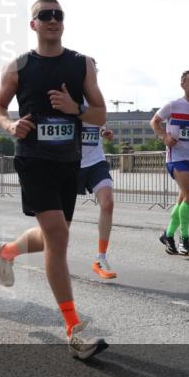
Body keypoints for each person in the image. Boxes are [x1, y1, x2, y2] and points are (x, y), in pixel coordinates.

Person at [0, 0, 108, 359]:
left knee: (56, 234)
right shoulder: (18, 66)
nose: (53, 20)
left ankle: (5, 252)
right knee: (57, 235)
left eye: (58, 15)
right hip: (34, 159)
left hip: (68, 160)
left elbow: (100, 114)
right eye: (45, 15)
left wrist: (75, 108)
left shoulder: (81, 64)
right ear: (33, 24)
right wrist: (10, 125)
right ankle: (74, 328)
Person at [150, 70, 189, 257]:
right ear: (183, 84)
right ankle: (184, 240)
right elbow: (154, 122)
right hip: (176, 157)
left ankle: (168, 235)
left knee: (183, 199)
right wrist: (164, 137)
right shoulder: (173, 105)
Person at [78, 117, 118, 279]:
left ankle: (100, 259)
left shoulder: (96, 104)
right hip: (70, 163)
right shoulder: (66, 103)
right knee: (60, 221)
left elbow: (100, 127)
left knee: (108, 204)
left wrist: (105, 133)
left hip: (96, 162)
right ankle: (54, 255)